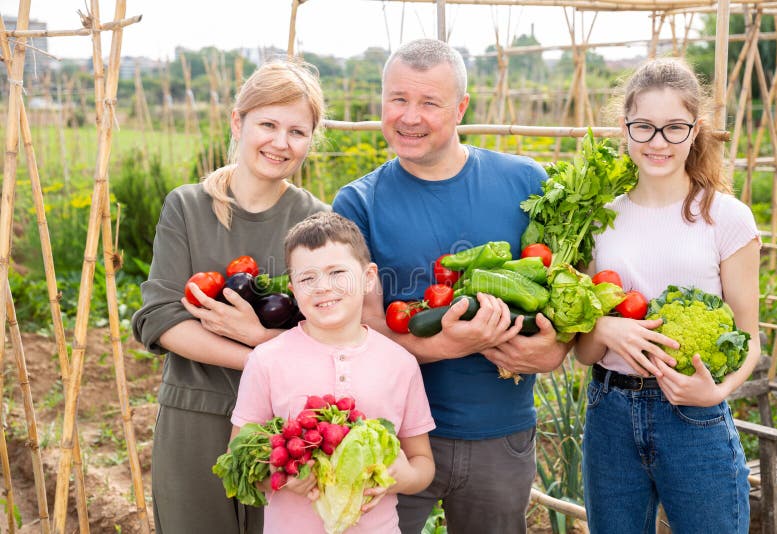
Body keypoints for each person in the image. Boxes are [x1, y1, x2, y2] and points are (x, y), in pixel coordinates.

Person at [332, 38, 571, 533]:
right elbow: (351, 332)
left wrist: (556, 348)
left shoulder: (527, 183)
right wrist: (447, 344)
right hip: (389, 435)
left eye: (429, 102)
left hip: (499, 434)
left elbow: (567, 289)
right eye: (398, 99)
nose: (409, 116)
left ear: (461, 107)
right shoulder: (357, 203)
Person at [131, 58, 330, 534]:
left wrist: (260, 338)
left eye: (298, 132)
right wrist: (262, 352)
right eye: (268, 124)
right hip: (194, 415)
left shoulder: (317, 222)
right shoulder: (187, 206)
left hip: (288, 423)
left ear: (311, 140)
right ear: (238, 122)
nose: (281, 143)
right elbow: (160, 319)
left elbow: (332, 331)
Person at [574, 57, 761, 533]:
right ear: (625, 128)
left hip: (695, 420)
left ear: (695, 131)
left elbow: (748, 338)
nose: (658, 143)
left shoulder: (728, 218)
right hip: (610, 413)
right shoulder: (598, 220)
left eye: (674, 128)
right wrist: (604, 326)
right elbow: (583, 352)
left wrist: (714, 390)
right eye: (645, 127)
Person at [230, 211, 436, 533]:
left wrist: (404, 477)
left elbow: (423, 462)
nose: (322, 287)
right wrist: (277, 475)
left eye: (337, 272)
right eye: (307, 278)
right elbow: (238, 455)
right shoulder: (267, 360)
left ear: (368, 277)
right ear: (293, 288)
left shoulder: (400, 363)